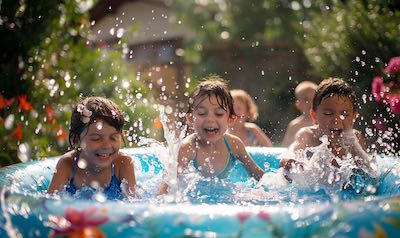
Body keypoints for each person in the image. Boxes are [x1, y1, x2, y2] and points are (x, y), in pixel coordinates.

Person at [159, 76, 265, 195]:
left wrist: (283, 178)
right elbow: (166, 187)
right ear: (190, 118)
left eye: (219, 114)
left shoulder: (234, 145)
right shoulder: (187, 148)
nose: (210, 119)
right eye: (202, 113)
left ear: (231, 119)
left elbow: (259, 175)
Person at [280, 78, 377, 179]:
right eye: (328, 113)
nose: (336, 120)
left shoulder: (355, 138)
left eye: (344, 114)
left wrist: (353, 143)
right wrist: (290, 160)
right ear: (314, 116)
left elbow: (370, 171)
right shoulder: (308, 135)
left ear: (353, 117)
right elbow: (291, 151)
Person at [47, 96, 137, 199]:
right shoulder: (67, 165)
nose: (106, 145)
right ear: (77, 141)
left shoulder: (123, 164)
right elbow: (49, 203)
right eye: (96, 139)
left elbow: (134, 205)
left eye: (113, 138)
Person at [281, 81, 317, 147]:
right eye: (306, 100)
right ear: (298, 104)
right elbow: (285, 148)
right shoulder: (295, 125)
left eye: (314, 99)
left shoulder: (322, 123)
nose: (311, 103)